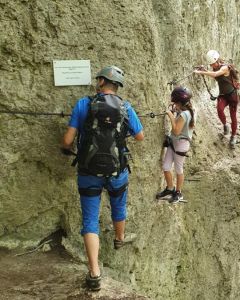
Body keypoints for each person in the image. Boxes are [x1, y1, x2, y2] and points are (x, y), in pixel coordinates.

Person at [61, 66, 144, 291]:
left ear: (101, 82)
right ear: (117, 85)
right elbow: (140, 136)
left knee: (90, 220)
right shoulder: (126, 107)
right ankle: (119, 238)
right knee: (118, 205)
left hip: (88, 172)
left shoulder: (83, 104)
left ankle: (95, 273)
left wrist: (65, 147)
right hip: (117, 171)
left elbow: (68, 140)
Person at [194, 50, 240, 148]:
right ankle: (225, 125)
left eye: (212, 64)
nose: (212, 66)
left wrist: (200, 72)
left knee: (233, 116)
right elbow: (216, 76)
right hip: (223, 95)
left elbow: (216, 75)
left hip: (232, 96)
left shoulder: (225, 68)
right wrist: (204, 70)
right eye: (210, 64)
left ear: (217, 60)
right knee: (219, 110)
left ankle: (233, 136)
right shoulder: (215, 69)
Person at [156, 86, 194, 203]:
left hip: (181, 144)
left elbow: (176, 131)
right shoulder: (186, 112)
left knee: (178, 169)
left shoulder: (184, 114)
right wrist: (175, 113)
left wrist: (171, 116)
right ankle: (170, 188)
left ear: (179, 103)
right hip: (174, 143)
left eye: (175, 103)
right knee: (166, 166)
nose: (174, 105)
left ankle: (178, 193)